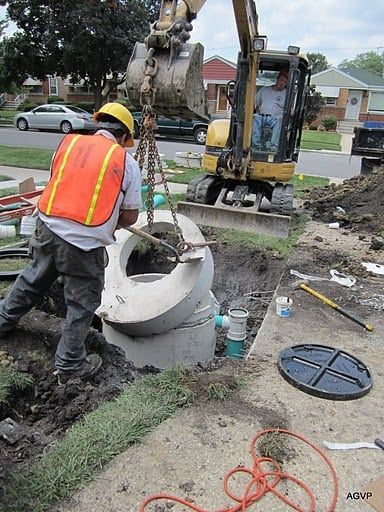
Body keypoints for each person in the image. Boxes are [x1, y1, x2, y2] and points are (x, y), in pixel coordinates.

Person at [0, 102, 142, 384]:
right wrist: (112, 220)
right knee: (81, 303)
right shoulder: (125, 161)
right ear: (124, 136)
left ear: (98, 124)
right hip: (83, 244)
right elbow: (130, 216)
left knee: (31, 281)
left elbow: (59, 184)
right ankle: (69, 366)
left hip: (47, 228)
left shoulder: (68, 144)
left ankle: (2, 321)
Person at [252, 68, 289, 152]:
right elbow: (254, 103)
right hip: (262, 116)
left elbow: (291, 110)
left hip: (275, 118)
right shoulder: (264, 90)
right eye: (281, 80)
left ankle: (273, 146)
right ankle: (256, 145)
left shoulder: (287, 93)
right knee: (254, 118)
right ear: (277, 79)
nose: (282, 83)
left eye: (285, 82)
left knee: (279, 120)